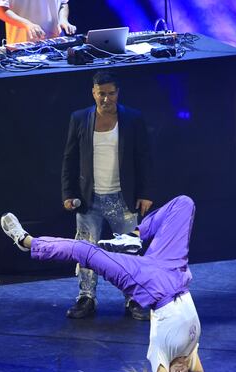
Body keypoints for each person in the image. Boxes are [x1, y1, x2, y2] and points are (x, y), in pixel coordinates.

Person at [1, 195, 204, 372]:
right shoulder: (191, 353)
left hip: (150, 285)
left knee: (86, 251)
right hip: (175, 270)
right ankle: (134, 236)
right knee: (184, 204)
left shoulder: (160, 358)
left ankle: (28, 242)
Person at [61, 71, 154, 321]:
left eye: (111, 93)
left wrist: (145, 193)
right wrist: (68, 193)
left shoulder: (132, 119)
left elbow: (143, 158)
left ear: (117, 93)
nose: (106, 98)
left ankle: (133, 299)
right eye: (101, 93)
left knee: (129, 251)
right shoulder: (80, 119)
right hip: (89, 199)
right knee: (86, 251)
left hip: (122, 199)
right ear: (93, 93)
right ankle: (86, 298)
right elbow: (69, 159)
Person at [0, 0, 76, 44]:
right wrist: (27, 24)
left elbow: (63, 3)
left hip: (57, 42)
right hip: (24, 46)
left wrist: (63, 20)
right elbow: (0, 11)